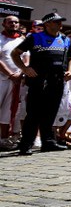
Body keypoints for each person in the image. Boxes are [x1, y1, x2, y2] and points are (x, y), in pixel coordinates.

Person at [12, 13, 71, 155]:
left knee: (50, 112)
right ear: (47, 24)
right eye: (56, 22)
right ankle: (26, 144)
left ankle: (48, 142)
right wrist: (25, 68)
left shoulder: (64, 39)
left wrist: (70, 71)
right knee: (33, 113)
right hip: (39, 80)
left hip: (58, 80)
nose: (60, 24)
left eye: (60, 21)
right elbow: (15, 54)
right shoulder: (35, 37)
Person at [0, 16, 24, 150]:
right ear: (4, 24)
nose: (13, 24)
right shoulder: (0, 39)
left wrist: (20, 74)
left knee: (7, 112)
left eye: (16, 22)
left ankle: (3, 139)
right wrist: (10, 74)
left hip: (16, 81)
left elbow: (26, 60)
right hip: (1, 79)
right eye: (10, 22)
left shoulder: (21, 41)